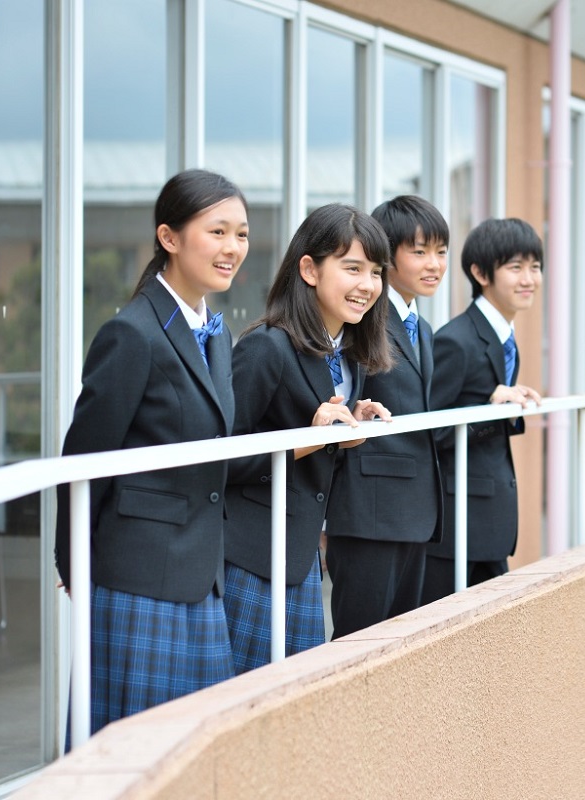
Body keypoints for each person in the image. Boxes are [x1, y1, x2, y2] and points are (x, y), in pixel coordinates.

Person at [54, 169, 248, 734]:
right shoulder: (132, 334)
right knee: (131, 751)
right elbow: (83, 460)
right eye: (217, 232)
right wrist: (74, 561)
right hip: (136, 579)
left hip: (200, 574)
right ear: (169, 237)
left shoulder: (215, 334)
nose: (231, 248)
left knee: (192, 750)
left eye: (240, 234)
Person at [223, 203, 394, 674]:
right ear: (309, 269)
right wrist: (308, 440)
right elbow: (220, 459)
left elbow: (319, 447)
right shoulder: (265, 346)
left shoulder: (349, 356)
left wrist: (346, 428)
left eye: (376, 272)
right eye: (353, 268)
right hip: (252, 563)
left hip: (299, 563)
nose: (368, 285)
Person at [325, 195, 448, 638]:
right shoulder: (361, 317)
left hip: (416, 511)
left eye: (440, 252)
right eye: (419, 251)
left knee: (399, 647)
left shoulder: (424, 329)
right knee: (359, 644)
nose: (434, 264)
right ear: (386, 255)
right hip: (369, 511)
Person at [421, 217, 543, 605]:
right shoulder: (456, 341)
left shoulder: (504, 337)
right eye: (515, 267)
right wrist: (490, 410)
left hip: (486, 521)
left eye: (535, 267)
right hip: (457, 529)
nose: (529, 279)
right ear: (480, 272)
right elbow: (431, 432)